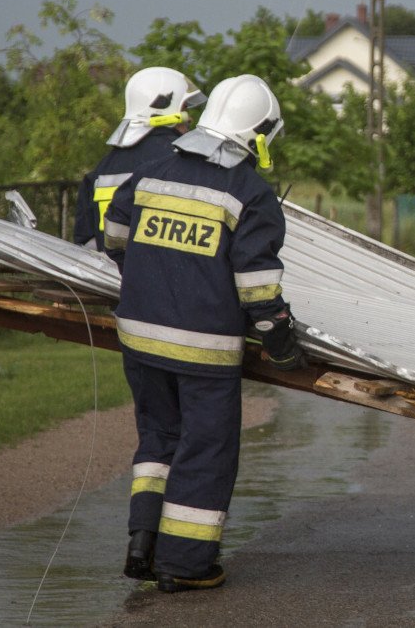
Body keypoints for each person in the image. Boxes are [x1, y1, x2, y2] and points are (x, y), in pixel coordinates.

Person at [103, 74, 306, 594]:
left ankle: (143, 542)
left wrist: (154, 277)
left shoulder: (153, 170)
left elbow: (115, 236)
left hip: (139, 338)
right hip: (203, 351)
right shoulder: (249, 192)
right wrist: (280, 338)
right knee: (206, 448)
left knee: (159, 440)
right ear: (257, 133)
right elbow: (258, 288)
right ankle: (186, 563)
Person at [74, 66, 204, 252]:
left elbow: (86, 245)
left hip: (110, 277)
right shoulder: (184, 160)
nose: (189, 118)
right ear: (165, 109)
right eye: (184, 108)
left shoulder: (103, 168)